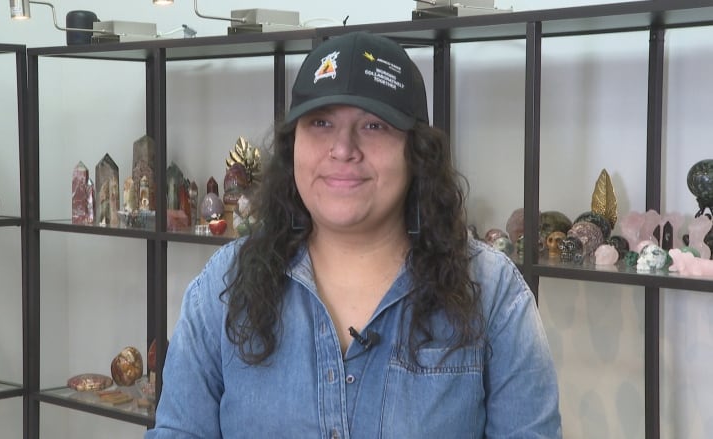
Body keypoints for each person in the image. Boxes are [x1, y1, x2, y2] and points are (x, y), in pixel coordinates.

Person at [146, 31, 561, 438]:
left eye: (374, 126)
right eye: (321, 122)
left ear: (416, 153)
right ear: (293, 147)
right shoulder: (224, 286)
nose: (343, 148)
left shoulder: (492, 293)